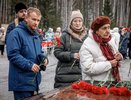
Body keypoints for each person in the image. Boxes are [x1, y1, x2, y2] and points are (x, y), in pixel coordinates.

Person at [6, 7, 48, 100]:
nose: (36, 23)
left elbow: (39, 52)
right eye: (33, 19)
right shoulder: (15, 33)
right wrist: (30, 65)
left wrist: (43, 58)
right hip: (21, 83)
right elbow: (12, 55)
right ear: (26, 18)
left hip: (34, 82)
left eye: (38, 20)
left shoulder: (36, 35)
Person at [79, 16, 123, 83]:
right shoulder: (87, 45)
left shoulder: (109, 41)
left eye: (108, 27)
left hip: (112, 81)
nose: (108, 31)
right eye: (104, 28)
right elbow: (87, 68)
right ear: (96, 31)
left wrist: (119, 56)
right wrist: (109, 64)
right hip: (95, 85)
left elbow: (115, 54)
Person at [54, 10, 88, 88]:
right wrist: (72, 55)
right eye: (75, 21)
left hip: (82, 75)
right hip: (65, 77)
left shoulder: (87, 37)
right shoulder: (64, 36)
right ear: (71, 22)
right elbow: (57, 52)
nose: (77, 23)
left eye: (79, 21)